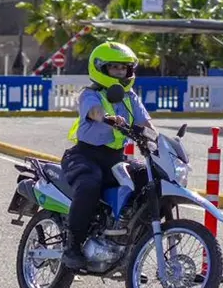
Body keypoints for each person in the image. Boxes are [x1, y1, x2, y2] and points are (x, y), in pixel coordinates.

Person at [60, 41, 154, 270]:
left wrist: (157, 141)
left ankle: (130, 250)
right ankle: (73, 245)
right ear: (101, 69)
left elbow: (146, 123)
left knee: (147, 179)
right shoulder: (90, 94)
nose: (120, 72)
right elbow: (94, 111)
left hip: (115, 159)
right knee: (90, 183)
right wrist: (108, 118)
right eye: (114, 68)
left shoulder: (130, 97)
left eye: (124, 68)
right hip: (84, 156)